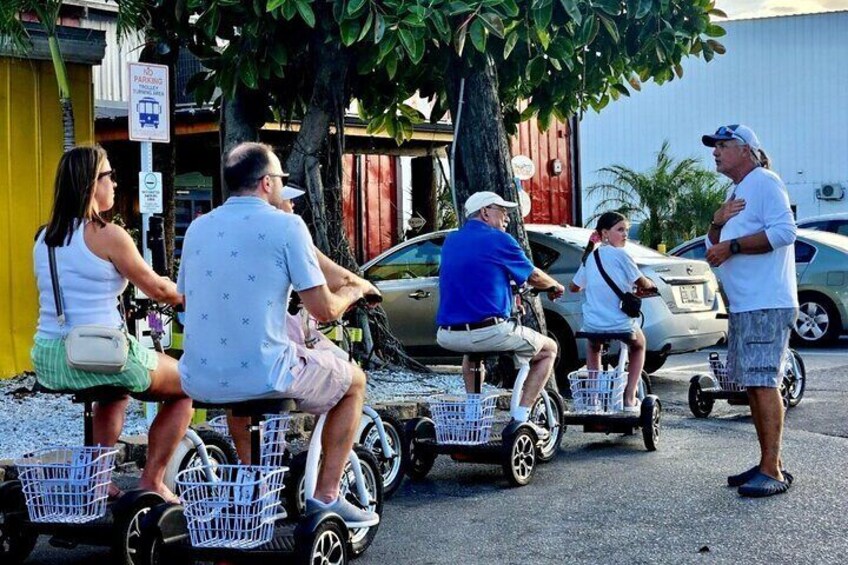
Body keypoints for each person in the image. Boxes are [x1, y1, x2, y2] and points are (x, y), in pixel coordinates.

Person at [177, 142, 380, 526]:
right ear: (268, 182)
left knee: (242, 396)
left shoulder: (199, 227)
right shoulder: (287, 226)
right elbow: (323, 310)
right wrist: (355, 290)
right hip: (266, 373)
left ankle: (258, 490)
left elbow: (185, 297)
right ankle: (326, 496)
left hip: (199, 378)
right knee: (354, 382)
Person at [31, 145, 192, 503]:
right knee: (187, 384)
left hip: (51, 356)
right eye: (109, 176)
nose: (115, 184)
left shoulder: (43, 238)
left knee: (113, 392)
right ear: (91, 184)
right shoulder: (110, 235)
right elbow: (156, 288)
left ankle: (98, 479)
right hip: (102, 353)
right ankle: (152, 479)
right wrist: (187, 295)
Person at [701, 124, 798, 497]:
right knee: (754, 385)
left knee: (763, 383)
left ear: (746, 150)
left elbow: (785, 232)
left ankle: (772, 470)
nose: (716, 152)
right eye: (715, 146)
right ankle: (766, 463)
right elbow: (714, 245)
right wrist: (717, 221)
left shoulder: (765, 181)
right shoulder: (738, 191)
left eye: (723, 145)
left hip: (766, 301)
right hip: (746, 304)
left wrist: (734, 247)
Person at [436, 191, 565, 436]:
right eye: (502, 210)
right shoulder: (499, 240)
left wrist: (509, 299)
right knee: (548, 350)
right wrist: (554, 286)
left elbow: (478, 280)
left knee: (473, 355)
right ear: (485, 212)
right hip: (489, 331)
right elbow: (534, 276)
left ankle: (474, 416)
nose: (507, 217)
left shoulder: (451, 241)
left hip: (448, 335)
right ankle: (521, 418)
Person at [568, 212, 656, 411]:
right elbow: (641, 282)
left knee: (594, 347)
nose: (625, 234)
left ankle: (593, 400)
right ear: (605, 233)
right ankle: (629, 397)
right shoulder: (621, 254)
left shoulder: (590, 257)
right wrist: (651, 285)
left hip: (593, 323)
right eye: (620, 230)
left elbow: (574, 287)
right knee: (639, 345)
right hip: (619, 323)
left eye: (626, 230)